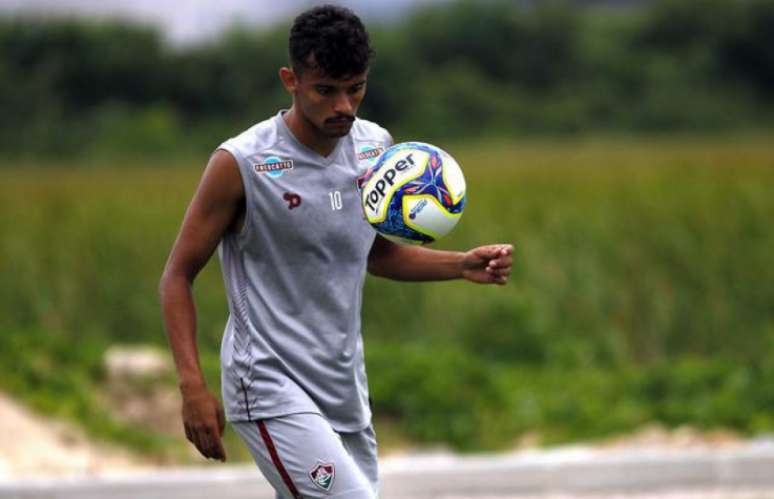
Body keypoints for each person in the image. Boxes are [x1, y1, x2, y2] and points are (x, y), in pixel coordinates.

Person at [159, 4, 513, 498]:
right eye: (326, 90)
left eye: (356, 88)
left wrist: (460, 264)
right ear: (292, 80)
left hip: (343, 386)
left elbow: (372, 254)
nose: (344, 106)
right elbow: (176, 276)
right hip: (268, 384)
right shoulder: (241, 163)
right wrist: (191, 386)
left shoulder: (376, 150)